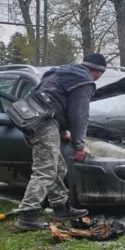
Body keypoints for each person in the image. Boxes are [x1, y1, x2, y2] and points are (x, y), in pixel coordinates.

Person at [15, 54, 107, 231]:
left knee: (58, 168)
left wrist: (63, 133)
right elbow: (79, 115)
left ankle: (61, 208)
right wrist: (79, 145)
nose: (97, 78)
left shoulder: (58, 73)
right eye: (99, 75)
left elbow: (52, 102)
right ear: (96, 72)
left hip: (31, 121)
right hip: (44, 124)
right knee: (45, 170)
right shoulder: (84, 81)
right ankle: (27, 216)